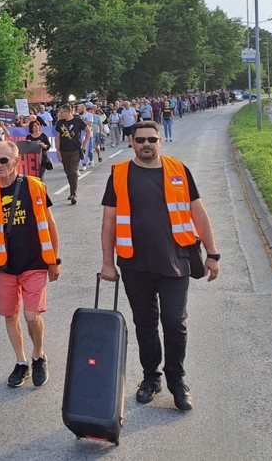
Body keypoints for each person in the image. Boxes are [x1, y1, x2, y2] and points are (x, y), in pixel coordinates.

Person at [99, 121, 220, 412]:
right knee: (145, 324)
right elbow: (109, 221)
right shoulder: (119, 174)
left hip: (176, 261)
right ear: (131, 141)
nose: (146, 144)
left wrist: (213, 253)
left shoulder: (179, 170)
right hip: (134, 264)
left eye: (151, 139)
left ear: (160, 141)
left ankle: (177, 380)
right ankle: (151, 378)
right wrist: (107, 262)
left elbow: (198, 212)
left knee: (174, 322)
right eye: (140, 139)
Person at [0, 140, 61, 388]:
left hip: (34, 261)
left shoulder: (35, 186)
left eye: (4, 160)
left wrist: (55, 260)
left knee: (32, 316)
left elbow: (50, 223)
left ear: (16, 161)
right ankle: (21, 362)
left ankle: (39, 355)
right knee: (10, 315)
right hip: (4, 265)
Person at [54, 104, 88, 205]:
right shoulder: (60, 123)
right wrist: (58, 151)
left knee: (73, 171)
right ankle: (71, 191)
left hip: (75, 150)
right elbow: (58, 137)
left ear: (68, 111)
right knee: (68, 171)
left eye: (62, 112)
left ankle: (74, 194)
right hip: (64, 150)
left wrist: (84, 145)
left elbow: (88, 131)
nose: (61, 114)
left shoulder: (78, 121)